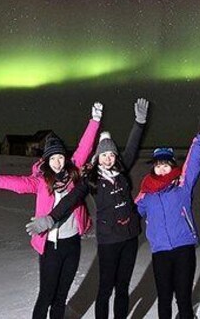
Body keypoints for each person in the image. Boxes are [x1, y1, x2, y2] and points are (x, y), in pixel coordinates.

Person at [0, 102, 103, 319]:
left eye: (60, 157)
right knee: (46, 295)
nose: (58, 162)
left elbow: (85, 147)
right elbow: (20, 184)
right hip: (50, 246)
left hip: (72, 243)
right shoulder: (41, 181)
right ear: (47, 161)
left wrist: (94, 122)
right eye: (53, 158)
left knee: (61, 296)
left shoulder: (74, 173)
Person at [26, 98, 149, 319]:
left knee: (122, 288)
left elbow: (132, 148)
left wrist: (139, 123)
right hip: (109, 241)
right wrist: (50, 218)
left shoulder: (122, 171)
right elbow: (70, 198)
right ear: (98, 157)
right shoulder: (90, 179)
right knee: (104, 290)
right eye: (104, 154)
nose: (109, 158)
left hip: (130, 238)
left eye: (112, 154)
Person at [134, 115, 200, 319]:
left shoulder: (182, 186)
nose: (161, 168)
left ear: (172, 165)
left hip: (183, 248)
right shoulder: (146, 194)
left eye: (165, 164)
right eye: (158, 165)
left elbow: (193, 162)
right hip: (160, 252)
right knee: (164, 298)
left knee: (183, 298)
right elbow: (130, 213)